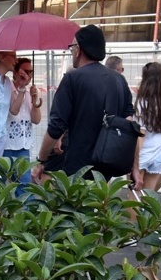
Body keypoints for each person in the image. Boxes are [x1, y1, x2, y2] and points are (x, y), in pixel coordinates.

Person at [34, 24, 134, 182]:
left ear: (78, 49)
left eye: (72, 47)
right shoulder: (119, 80)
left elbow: (56, 126)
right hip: (106, 166)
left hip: (77, 168)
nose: (71, 51)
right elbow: (129, 121)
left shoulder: (72, 78)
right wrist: (133, 166)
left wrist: (41, 160)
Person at [131, 62, 161, 194]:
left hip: (143, 154)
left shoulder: (142, 102)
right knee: (149, 198)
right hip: (159, 154)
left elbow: (141, 134)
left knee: (134, 196)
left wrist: (135, 161)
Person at [3, 57, 43, 165]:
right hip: (7, 145)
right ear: (15, 73)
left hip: (24, 145)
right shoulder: (7, 88)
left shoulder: (31, 90)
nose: (28, 76)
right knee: (2, 179)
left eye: (31, 72)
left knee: (24, 181)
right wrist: (21, 88)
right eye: (25, 72)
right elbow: (14, 111)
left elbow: (36, 120)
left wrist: (34, 101)